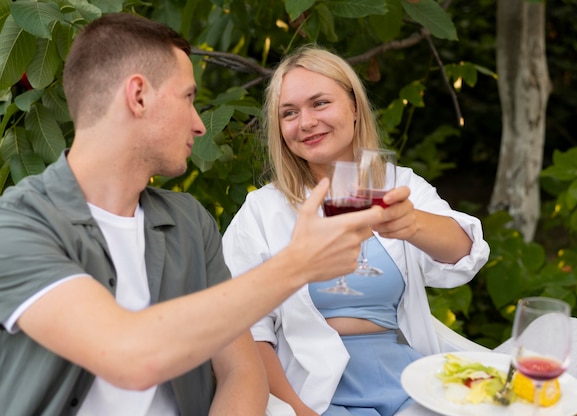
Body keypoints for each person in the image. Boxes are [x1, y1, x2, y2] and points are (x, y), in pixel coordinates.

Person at [0, 15, 384, 416]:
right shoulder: (17, 226)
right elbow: (128, 356)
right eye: (187, 97)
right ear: (138, 96)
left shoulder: (188, 221)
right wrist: (297, 265)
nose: (200, 125)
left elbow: (241, 371)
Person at [221, 45, 491, 416]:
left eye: (320, 103)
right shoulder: (262, 211)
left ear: (353, 106)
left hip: (404, 378)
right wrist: (299, 410)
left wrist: (412, 224)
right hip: (313, 391)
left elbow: (464, 257)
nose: (306, 122)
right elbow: (249, 332)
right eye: (289, 112)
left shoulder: (398, 184)